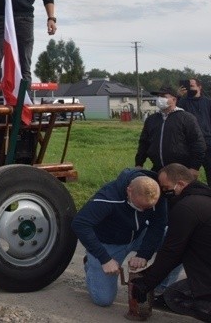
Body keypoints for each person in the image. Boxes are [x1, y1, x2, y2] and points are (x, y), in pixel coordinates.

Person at [71, 168, 169, 307]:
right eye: (140, 207)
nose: (144, 211)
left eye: (148, 208)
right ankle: (92, 261)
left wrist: (144, 254)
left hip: (139, 236)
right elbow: (80, 224)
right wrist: (104, 259)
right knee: (103, 300)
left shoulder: (156, 193)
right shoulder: (109, 197)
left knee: (179, 240)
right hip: (109, 243)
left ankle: (160, 287)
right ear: (129, 190)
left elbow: (158, 224)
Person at [131, 163, 211, 321]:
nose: (163, 192)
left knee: (175, 299)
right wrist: (149, 276)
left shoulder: (186, 208)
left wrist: (146, 283)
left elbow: (171, 252)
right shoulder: (204, 200)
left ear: (180, 184)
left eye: (166, 187)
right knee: (171, 295)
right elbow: (179, 253)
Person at [136, 85, 206, 176]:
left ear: (174, 99)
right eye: (158, 96)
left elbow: (198, 143)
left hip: (181, 170)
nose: (159, 99)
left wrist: (194, 167)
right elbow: (144, 143)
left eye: (164, 97)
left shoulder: (186, 118)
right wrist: (139, 163)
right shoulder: (151, 119)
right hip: (157, 169)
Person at [178, 78, 211, 182]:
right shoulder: (182, 102)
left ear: (199, 87)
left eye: (191, 86)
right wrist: (178, 96)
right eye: (187, 86)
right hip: (189, 144)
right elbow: (174, 114)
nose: (189, 89)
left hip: (208, 143)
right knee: (188, 175)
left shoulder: (208, 102)